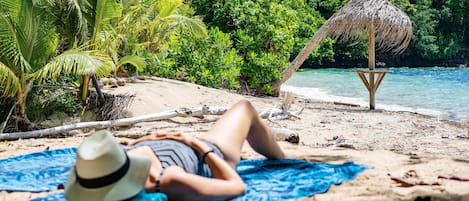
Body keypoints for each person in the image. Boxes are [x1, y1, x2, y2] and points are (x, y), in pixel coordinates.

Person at [64, 100, 286, 201]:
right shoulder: (166, 180)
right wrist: (197, 145)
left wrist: (145, 139)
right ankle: (282, 159)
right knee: (244, 108)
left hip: (174, 145)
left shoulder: (99, 166)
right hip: (211, 153)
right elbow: (236, 186)